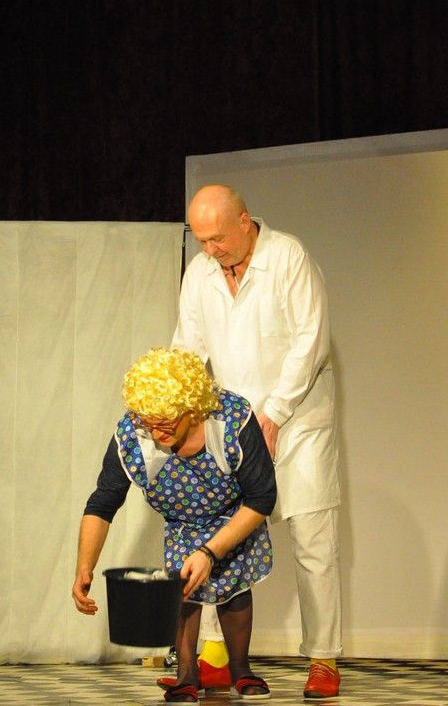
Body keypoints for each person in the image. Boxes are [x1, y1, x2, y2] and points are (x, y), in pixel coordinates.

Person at [170, 184, 342, 700]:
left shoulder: (288, 257)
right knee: (224, 537)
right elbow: (187, 348)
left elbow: (311, 340)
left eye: (219, 238)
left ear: (245, 222)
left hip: (298, 421)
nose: (210, 249)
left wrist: (274, 413)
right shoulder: (200, 273)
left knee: (312, 538)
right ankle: (216, 655)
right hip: (231, 428)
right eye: (202, 240)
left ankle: (323, 658)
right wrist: (177, 410)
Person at [72, 347, 277, 704]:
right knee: (181, 588)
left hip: (234, 516)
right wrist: (84, 566)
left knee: (234, 586)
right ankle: (186, 674)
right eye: (148, 422)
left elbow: (262, 497)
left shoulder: (231, 419)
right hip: (182, 525)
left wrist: (211, 551)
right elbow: (102, 503)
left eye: (166, 422)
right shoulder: (133, 435)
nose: (155, 432)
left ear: (192, 408)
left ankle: (240, 669)